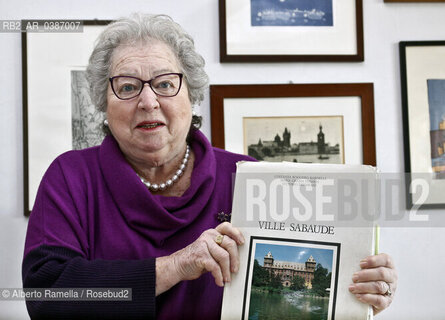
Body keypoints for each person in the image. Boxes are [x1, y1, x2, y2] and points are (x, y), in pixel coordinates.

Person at [22, 13, 397, 319]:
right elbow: (47, 294)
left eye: (165, 84)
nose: (148, 101)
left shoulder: (246, 176)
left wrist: (352, 295)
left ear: (191, 94)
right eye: (127, 86)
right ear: (104, 102)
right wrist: (176, 266)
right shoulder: (70, 177)